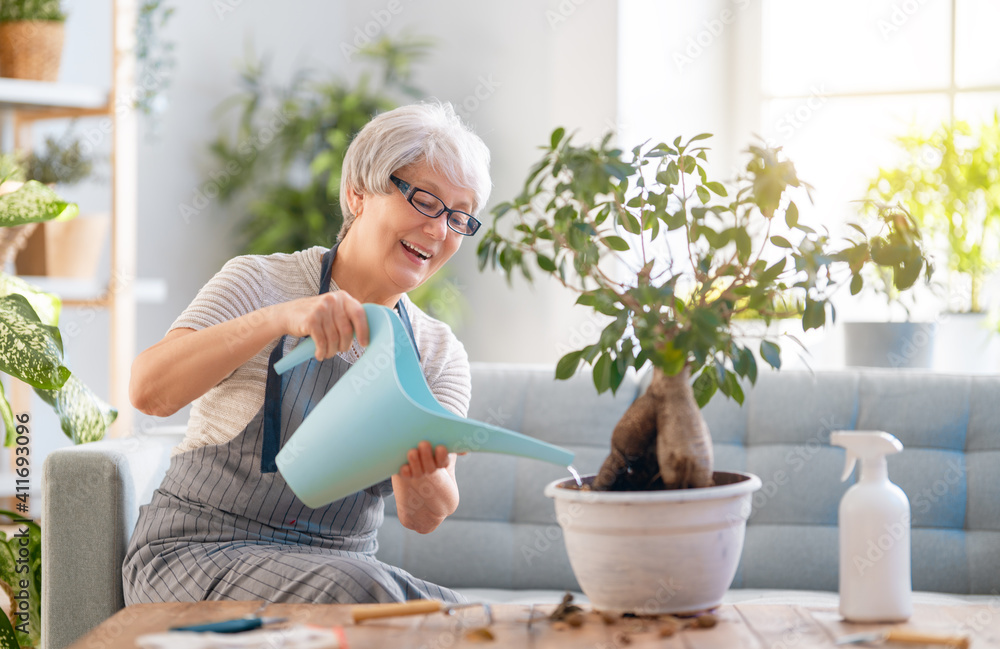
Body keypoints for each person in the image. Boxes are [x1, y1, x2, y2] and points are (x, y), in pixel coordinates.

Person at [123, 101, 491, 605]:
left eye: (459, 217)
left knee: (461, 617)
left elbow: (425, 515)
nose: (439, 230)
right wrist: (280, 318)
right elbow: (149, 392)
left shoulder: (438, 352)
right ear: (358, 193)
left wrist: (413, 446)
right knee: (370, 592)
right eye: (426, 201)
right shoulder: (260, 280)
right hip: (198, 551)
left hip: (339, 567)